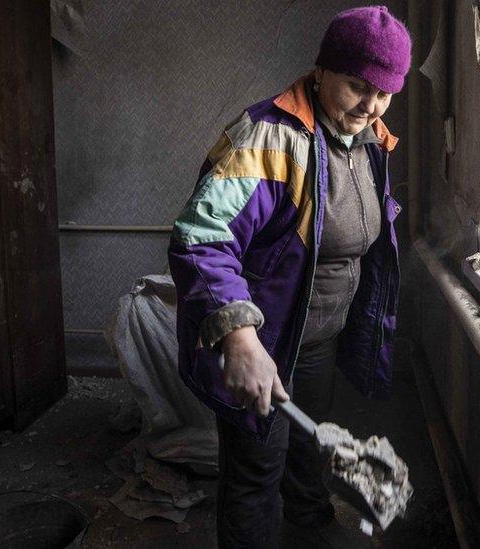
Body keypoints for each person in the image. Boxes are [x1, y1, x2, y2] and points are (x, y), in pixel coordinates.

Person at [167, 6, 411, 547]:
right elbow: (199, 238)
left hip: (319, 338)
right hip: (267, 338)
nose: (370, 107)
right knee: (256, 470)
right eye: (356, 86)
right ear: (322, 70)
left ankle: (311, 528)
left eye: (384, 93)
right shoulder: (267, 140)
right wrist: (240, 339)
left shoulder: (369, 141)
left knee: (307, 451)